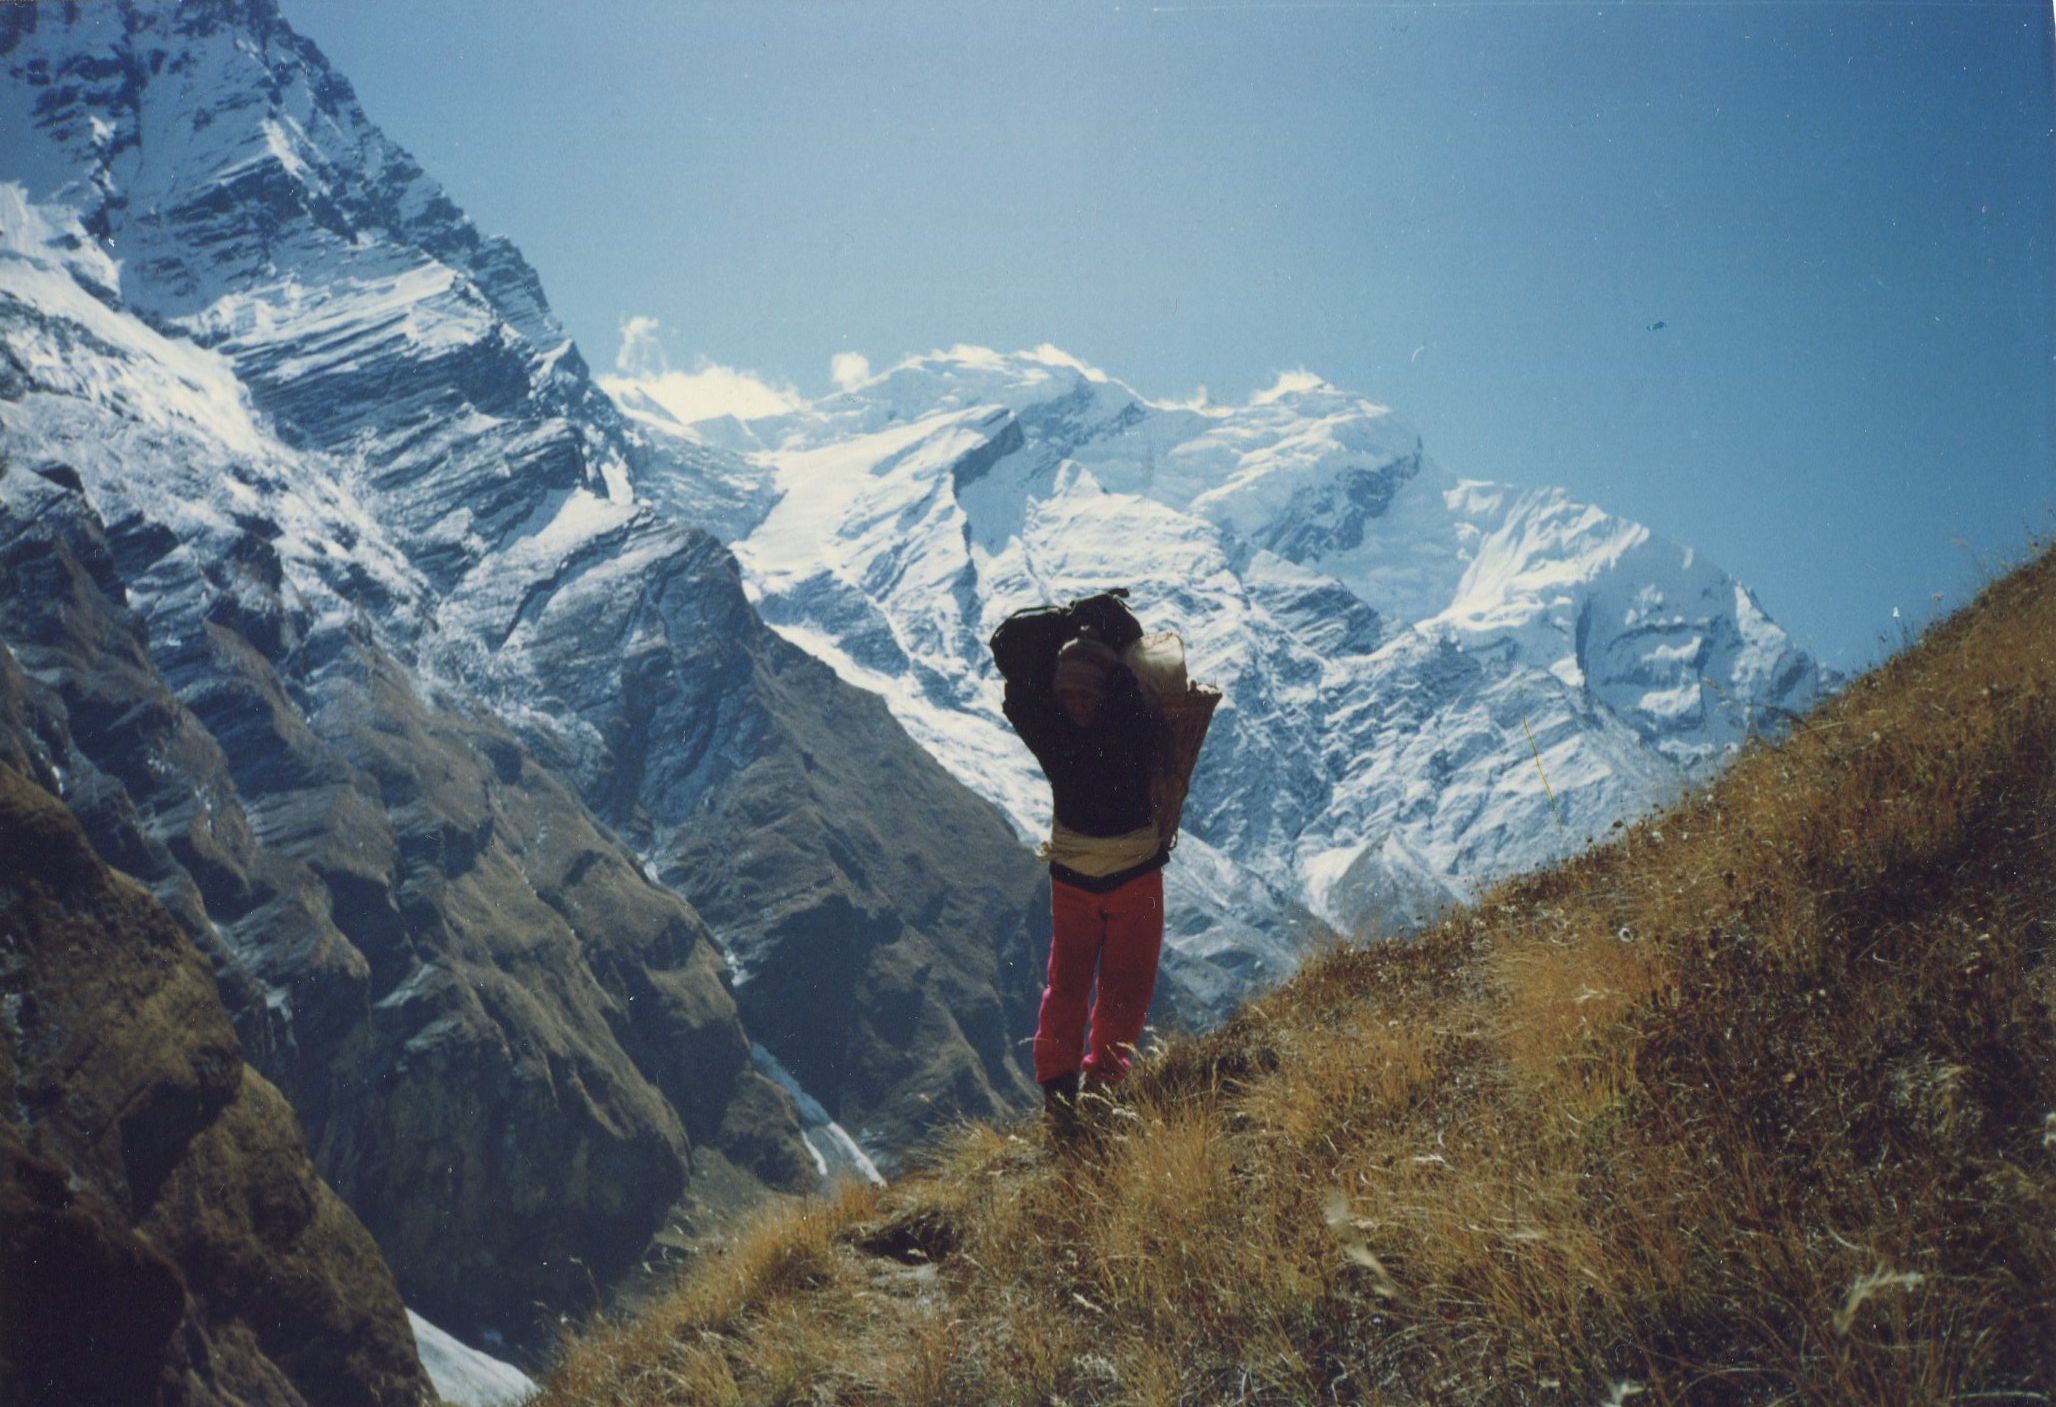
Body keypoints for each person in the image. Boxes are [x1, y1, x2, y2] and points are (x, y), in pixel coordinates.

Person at [994, 598, 1172, 1140]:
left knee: (1065, 982)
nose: (1075, 702)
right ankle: (1104, 1084)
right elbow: (1127, 671)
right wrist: (1098, 632)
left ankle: (1057, 1089)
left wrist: (1062, 627)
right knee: (1126, 985)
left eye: (1078, 693)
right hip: (1134, 873)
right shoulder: (1131, 722)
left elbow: (1014, 675)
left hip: (1072, 875)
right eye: (1069, 693)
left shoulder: (1051, 732)